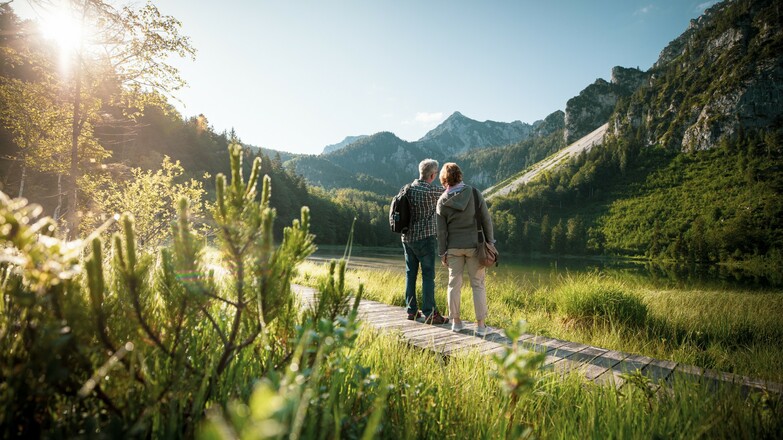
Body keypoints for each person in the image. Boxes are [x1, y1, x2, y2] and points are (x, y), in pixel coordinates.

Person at [435, 162, 494, 336]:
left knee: (454, 284)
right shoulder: (474, 193)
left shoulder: (442, 201)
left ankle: (456, 323)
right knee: (478, 285)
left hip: (453, 248)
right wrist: (490, 242)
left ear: (444, 180)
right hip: (475, 246)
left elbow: (441, 232)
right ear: (459, 175)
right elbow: (486, 220)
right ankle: (481, 326)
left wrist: (442, 252)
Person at [401, 159, 449, 325]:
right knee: (428, 276)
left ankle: (411, 310)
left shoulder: (407, 189)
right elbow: (450, 192)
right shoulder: (433, 191)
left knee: (410, 274)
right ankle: (430, 313)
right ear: (432, 175)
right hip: (425, 239)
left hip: (407, 239)